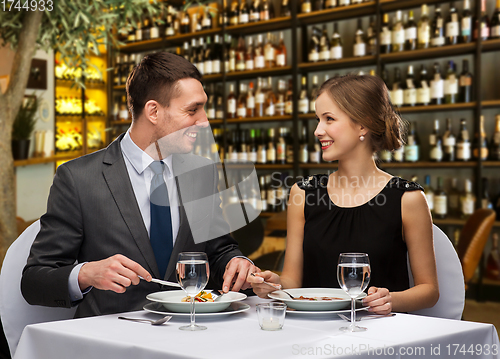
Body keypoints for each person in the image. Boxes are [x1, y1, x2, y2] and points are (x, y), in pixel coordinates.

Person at [21, 52, 255, 318]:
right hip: (110, 343)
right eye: (193, 110)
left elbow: (218, 249)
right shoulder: (77, 178)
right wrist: (85, 273)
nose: (204, 121)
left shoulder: (201, 172)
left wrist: (238, 263)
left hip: (190, 336)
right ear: (153, 111)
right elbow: (34, 281)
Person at [249, 74, 439, 314]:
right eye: (318, 119)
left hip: (382, 336)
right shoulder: (302, 194)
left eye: (329, 119)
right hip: (313, 330)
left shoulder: (407, 198)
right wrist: (273, 284)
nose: (318, 130)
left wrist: (390, 299)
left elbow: (429, 290)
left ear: (363, 124)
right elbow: (292, 282)